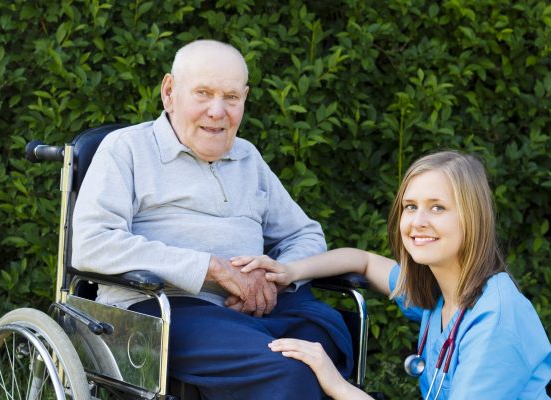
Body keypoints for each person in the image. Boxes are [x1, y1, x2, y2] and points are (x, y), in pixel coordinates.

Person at [71, 39, 353, 399]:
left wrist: (274, 278)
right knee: (289, 368)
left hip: (258, 311)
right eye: (203, 93)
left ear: (244, 100)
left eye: (231, 98)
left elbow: (305, 234)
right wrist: (212, 269)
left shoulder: (247, 157)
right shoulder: (126, 149)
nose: (217, 111)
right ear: (169, 92)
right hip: (164, 311)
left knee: (324, 343)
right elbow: (91, 244)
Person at [234, 150, 551, 399]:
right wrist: (290, 271)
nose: (418, 221)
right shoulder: (440, 291)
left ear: (472, 218)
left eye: (437, 207)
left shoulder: (495, 320)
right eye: (410, 206)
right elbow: (363, 262)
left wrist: (338, 385)